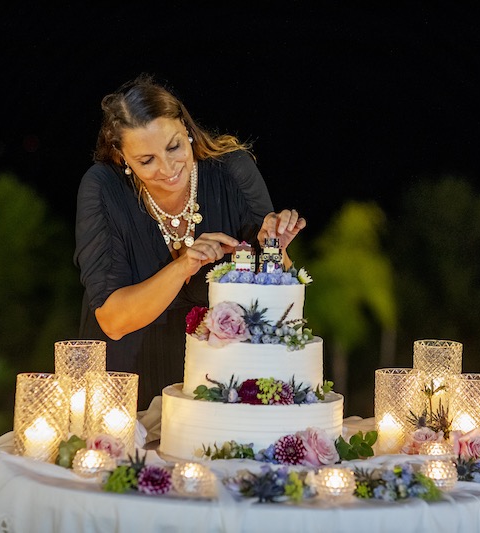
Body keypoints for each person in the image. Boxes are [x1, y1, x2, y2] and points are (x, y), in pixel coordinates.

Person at [74, 73, 306, 410]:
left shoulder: (233, 172)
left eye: (174, 147)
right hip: (122, 388)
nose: (168, 168)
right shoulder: (102, 188)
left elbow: (276, 304)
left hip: (214, 389)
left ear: (185, 127)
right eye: (146, 160)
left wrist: (276, 249)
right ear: (122, 156)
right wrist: (185, 263)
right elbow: (113, 321)